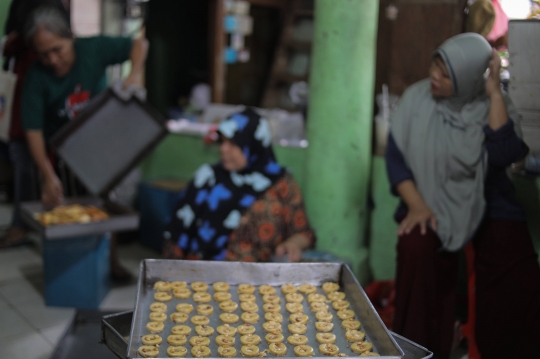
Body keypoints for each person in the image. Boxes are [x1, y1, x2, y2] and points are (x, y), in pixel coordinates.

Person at [385, 33, 540, 358]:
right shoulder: (416, 100)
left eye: (446, 74)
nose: (434, 78)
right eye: (434, 67)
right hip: (427, 198)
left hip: (487, 200)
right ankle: (420, 349)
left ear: (469, 77)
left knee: (515, 263)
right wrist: (416, 204)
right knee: (417, 244)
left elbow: (503, 155)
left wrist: (495, 93)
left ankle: (506, 350)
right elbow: (397, 161)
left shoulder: (493, 101)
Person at [21, 5, 149, 280]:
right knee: (71, 208)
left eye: (58, 49)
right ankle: (74, 269)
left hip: (101, 141)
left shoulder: (93, 49)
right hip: (66, 152)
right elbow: (33, 131)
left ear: (71, 37)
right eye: (44, 54)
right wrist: (48, 175)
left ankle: (110, 263)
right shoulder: (35, 78)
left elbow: (140, 44)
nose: (53, 59)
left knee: (106, 204)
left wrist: (134, 74)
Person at [162, 108, 315, 262]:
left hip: (259, 281)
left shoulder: (281, 182)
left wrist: (293, 244)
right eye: (222, 141)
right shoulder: (207, 177)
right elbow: (176, 234)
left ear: (253, 143)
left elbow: (304, 233)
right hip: (202, 277)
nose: (223, 148)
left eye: (233, 143)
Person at [0, 0, 68, 248]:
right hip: (33, 93)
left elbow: (11, 44)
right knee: (27, 155)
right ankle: (29, 221)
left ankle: (25, 224)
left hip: (38, 91)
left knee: (24, 154)